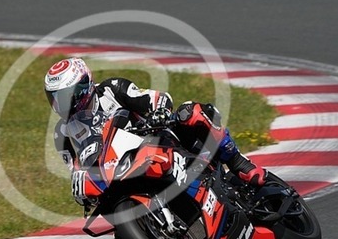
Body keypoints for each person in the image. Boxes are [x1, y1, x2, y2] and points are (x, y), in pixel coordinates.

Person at [44, 57, 267, 207]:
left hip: (156, 141)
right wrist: (82, 190)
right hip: (118, 172)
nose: (62, 104)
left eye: (66, 96)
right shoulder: (61, 133)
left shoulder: (112, 89)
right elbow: (75, 171)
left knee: (192, 112)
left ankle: (238, 162)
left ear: (85, 85)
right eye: (55, 98)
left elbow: (157, 98)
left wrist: (159, 112)